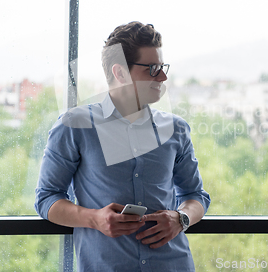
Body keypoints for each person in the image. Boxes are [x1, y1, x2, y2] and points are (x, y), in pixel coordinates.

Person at [35, 21, 211, 272]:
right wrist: (94, 219)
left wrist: (180, 219)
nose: (163, 76)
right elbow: (46, 198)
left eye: (162, 67)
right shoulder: (74, 126)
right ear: (120, 73)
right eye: (152, 69)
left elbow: (196, 196)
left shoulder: (177, 129)